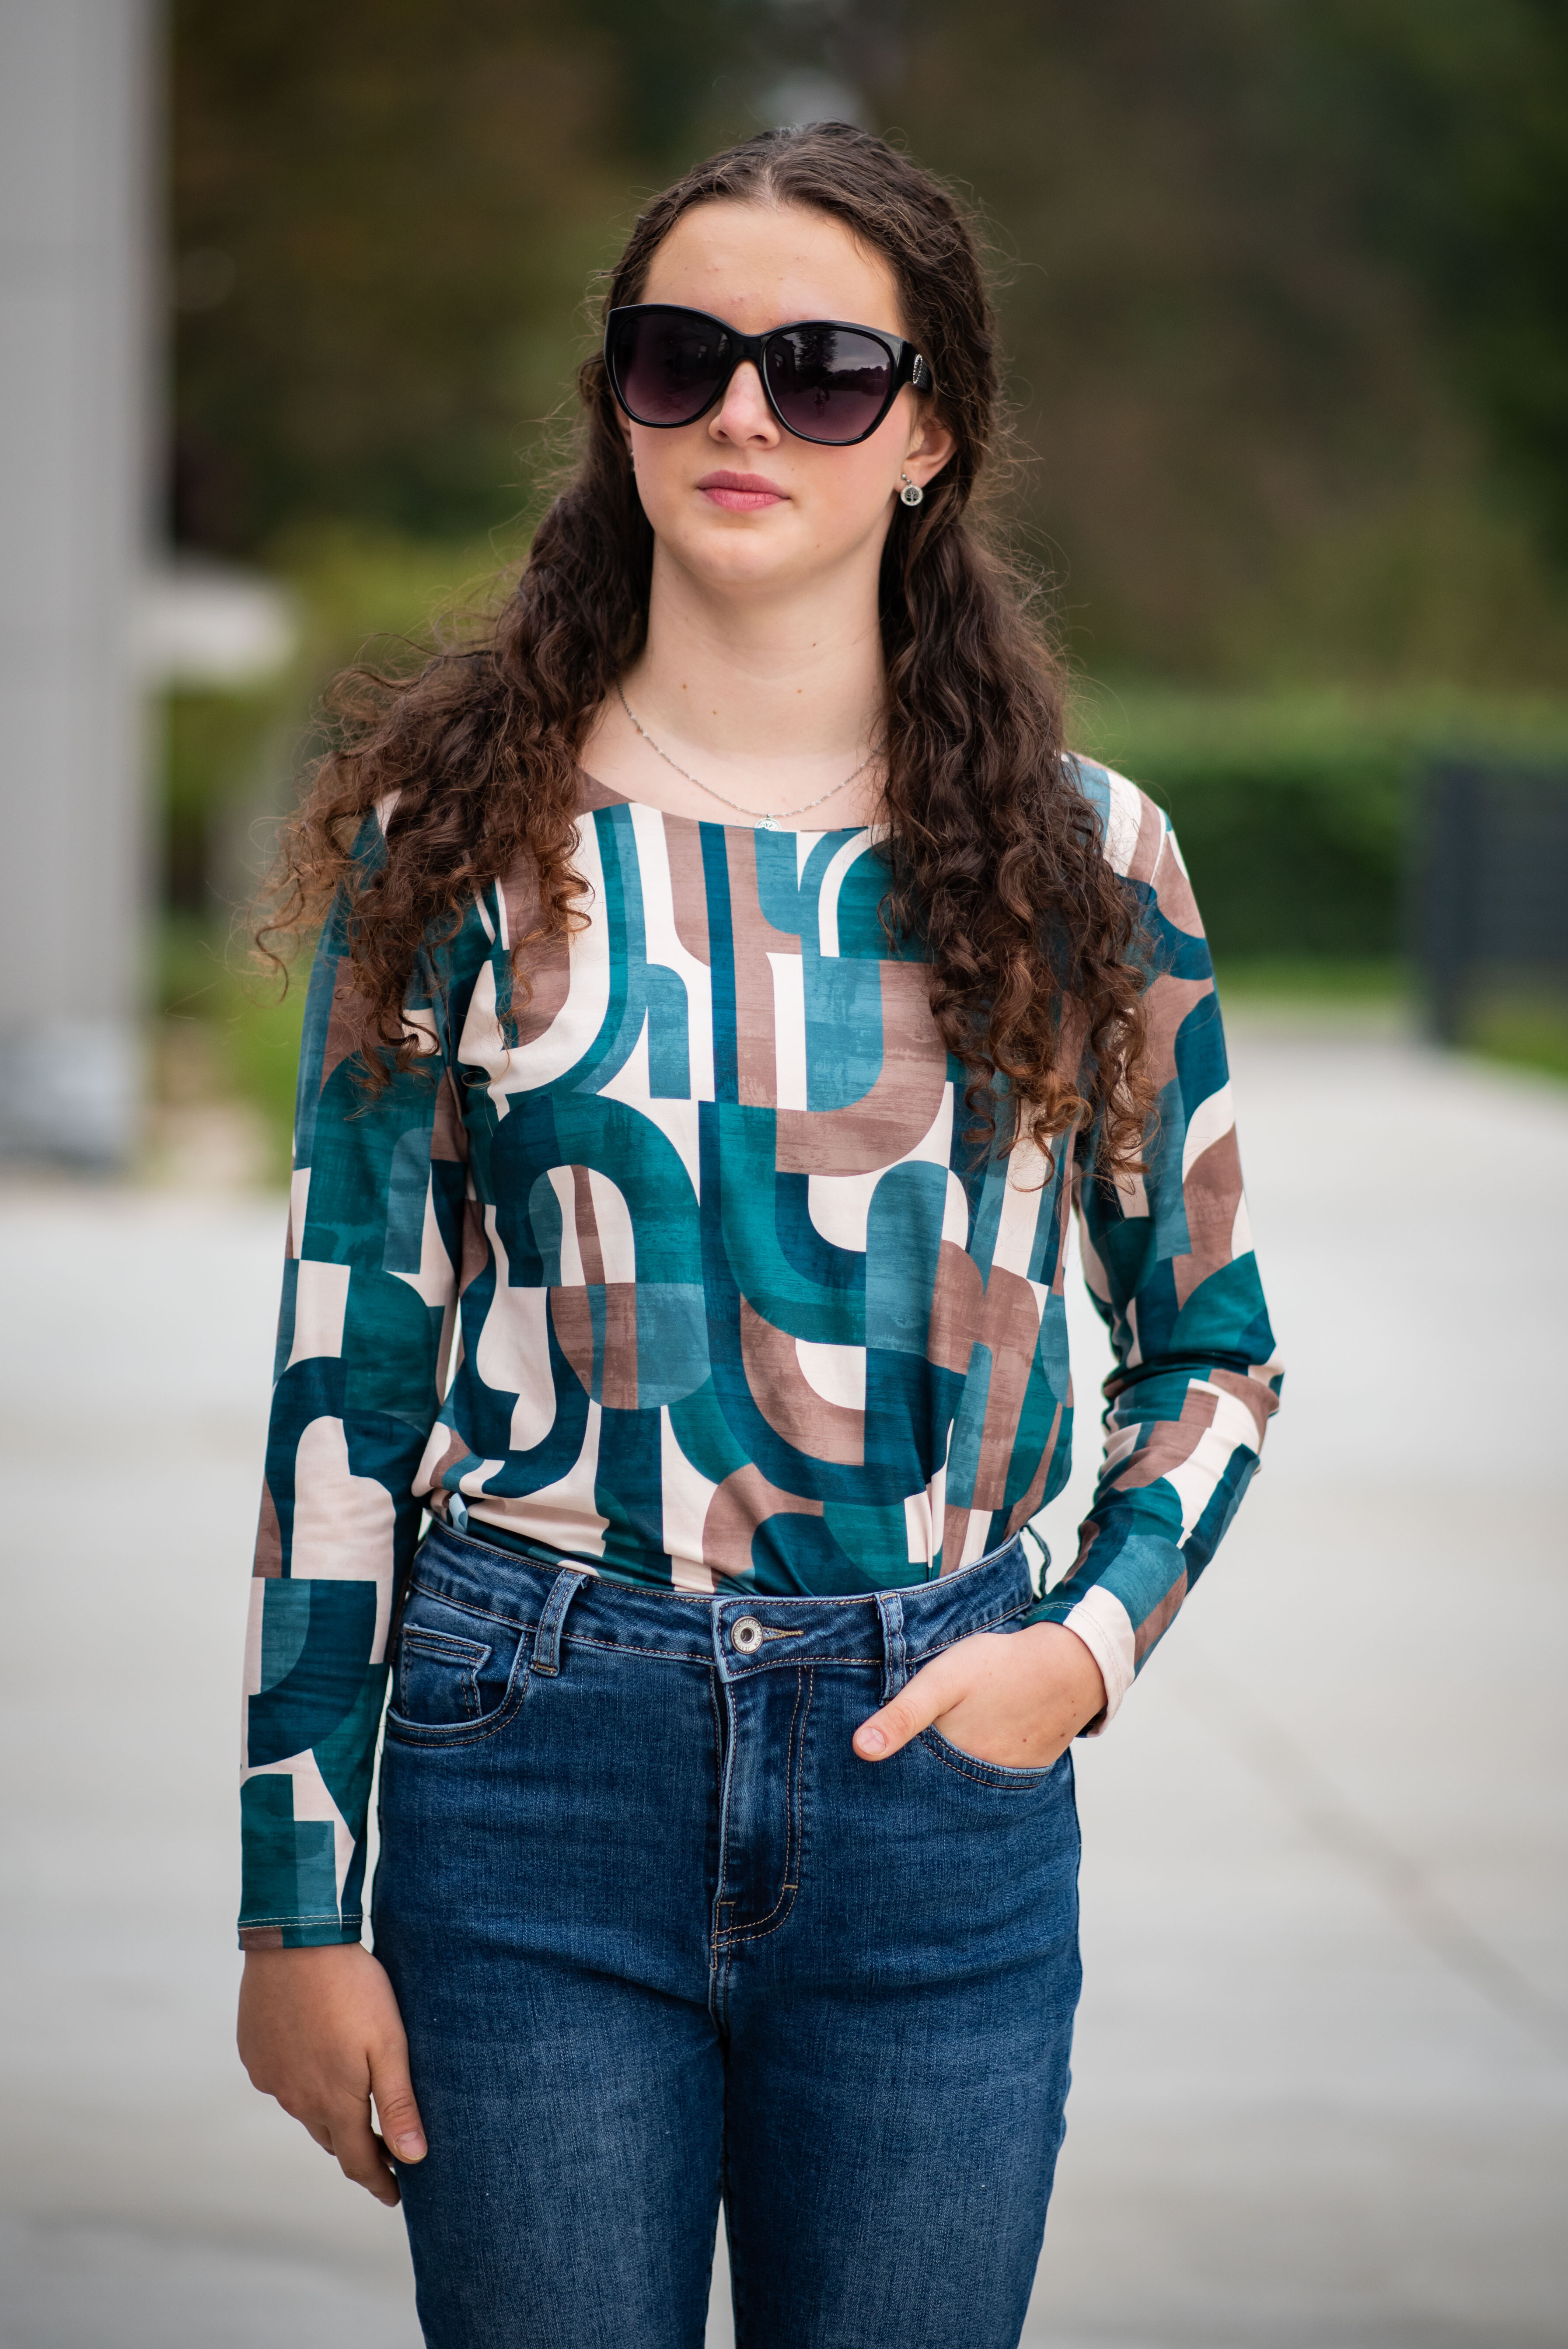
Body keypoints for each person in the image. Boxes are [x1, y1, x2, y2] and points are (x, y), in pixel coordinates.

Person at [236, 122, 1281, 2349]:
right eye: (678, 356)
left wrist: (1081, 1649)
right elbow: (345, 1388)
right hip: (530, 1768)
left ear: (929, 435)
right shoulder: (459, 843)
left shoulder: (1091, 864)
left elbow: (1215, 1351)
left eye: (821, 370)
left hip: (936, 1792)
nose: (741, 412)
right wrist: (293, 1903)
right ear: (617, 404)